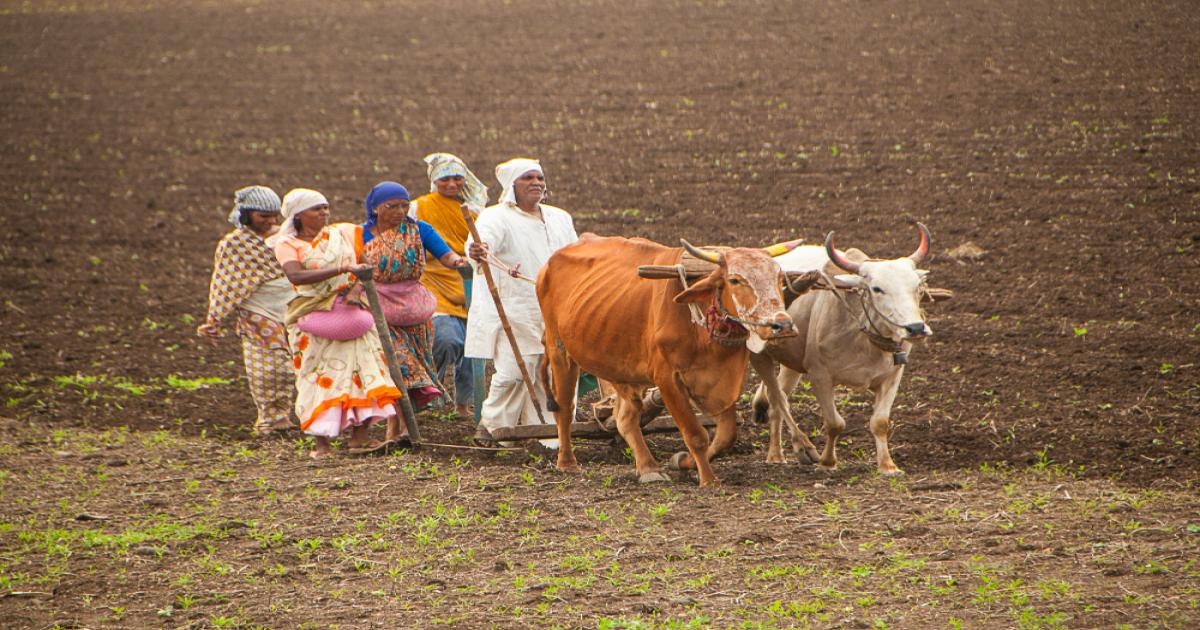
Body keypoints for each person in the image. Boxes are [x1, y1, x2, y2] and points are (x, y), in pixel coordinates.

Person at [270, 188, 403, 459]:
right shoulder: (287, 243)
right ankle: (322, 446)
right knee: (319, 377)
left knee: (362, 372)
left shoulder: (342, 234)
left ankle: (360, 438)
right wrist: (342, 270)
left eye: (325, 207)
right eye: (316, 208)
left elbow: (365, 268)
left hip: (349, 309)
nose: (324, 213)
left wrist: (354, 292)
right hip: (311, 312)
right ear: (298, 215)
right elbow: (296, 276)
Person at [465, 158, 578, 446]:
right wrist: (477, 251)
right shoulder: (495, 217)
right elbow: (480, 245)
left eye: (539, 178)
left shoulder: (560, 217)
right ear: (512, 185)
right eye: (528, 178)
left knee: (557, 369)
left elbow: (576, 255)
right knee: (517, 369)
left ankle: (551, 436)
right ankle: (491, 428)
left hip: (559, 306)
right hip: (515, 305)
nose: (536, 183)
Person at [360, 181, 468, 410]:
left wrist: (458, 261)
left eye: (404, 206)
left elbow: (446, 255)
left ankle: (406, 414)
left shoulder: (419, 230)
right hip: (380, 308)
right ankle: (397, 417)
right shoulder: (361, 235)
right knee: (397, 360)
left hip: (413, 308)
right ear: (376, 208)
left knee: (418, 358)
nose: (400, 212)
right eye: (392, 206)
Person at [197, 185, 296, 437]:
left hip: (292, 306)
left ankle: (286, 413)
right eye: (263, 216)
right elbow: (225, 283)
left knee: (290, 366)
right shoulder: (235, 244)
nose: (271, 221)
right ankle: (270, 418)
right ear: (246, 215)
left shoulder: (287, 237)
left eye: (274, 215)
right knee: (267, 367)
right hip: (258, 310)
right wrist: (215, 319)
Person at [409, 153, 488, 418]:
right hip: (433, 279)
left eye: (457, 178)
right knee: (445, 339)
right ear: (435, 180)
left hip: (469, 281)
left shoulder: (474, 211)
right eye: (445, 179)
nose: (452, 184)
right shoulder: (419, 207)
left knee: (473, 346)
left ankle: (464, 403)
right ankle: (430, 393)